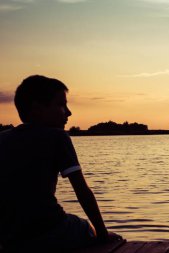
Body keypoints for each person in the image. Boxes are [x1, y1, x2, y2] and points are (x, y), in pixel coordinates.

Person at [0, 75, 121, 252]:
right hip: (48, 232)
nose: (68, 112)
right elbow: (82, 191)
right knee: (83, 226)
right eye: (61, 105)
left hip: (11, 238)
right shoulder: (57, 137)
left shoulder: (2, 139)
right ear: (38, 108)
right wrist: (102, 234)